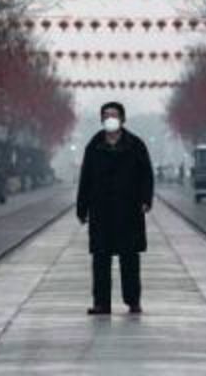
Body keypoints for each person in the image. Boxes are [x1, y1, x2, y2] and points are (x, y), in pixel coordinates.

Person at [76, 101, 154, 316]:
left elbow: (146, 174)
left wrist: (146, 199)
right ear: (101, 119)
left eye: (114, 114)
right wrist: (82, 208)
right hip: (101, 210)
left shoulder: (135, 145)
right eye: (106, 115)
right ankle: (101, 303)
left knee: (130, 258)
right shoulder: (94, 145)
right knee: (100, 259)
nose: (110, 118)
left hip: (128, 210)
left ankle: (133, 301)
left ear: (122, 119)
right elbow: (86, 179)